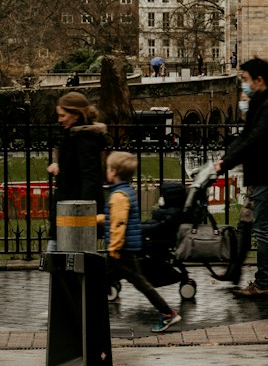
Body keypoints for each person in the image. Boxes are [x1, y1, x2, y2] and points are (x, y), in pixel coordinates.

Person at [215, 57, 268, 296]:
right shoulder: (259, 102)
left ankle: (263, 283)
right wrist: (224, 160)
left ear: (259, 80)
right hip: (265, 174)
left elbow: (255, 140)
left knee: (263, 228)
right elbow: (244, 137)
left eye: (245, 80)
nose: (243, 85)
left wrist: (228, 162)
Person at [102, 152, 181, 332]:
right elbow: (116, 217)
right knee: (137, 282)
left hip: (120, 250)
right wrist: (98, 218)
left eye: (108, 168)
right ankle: (168, 313)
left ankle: (168, 313)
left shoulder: (118, 196)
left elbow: (119, 224)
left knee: (138, 283)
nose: (106, 171)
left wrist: (113, 248)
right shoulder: (126, 191)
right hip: (126, 248)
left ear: (113, 172)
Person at [47, 91, 108, 251]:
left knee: (59, 256)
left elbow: (90, 177)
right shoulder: (74, 135)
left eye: (63, 115)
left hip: (74, 212)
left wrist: (84, 213)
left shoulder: (84, 139)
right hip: (68, 209)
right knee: (60, 258)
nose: (59, 120)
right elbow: (76, 168)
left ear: (76, 114)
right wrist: (59, 167)